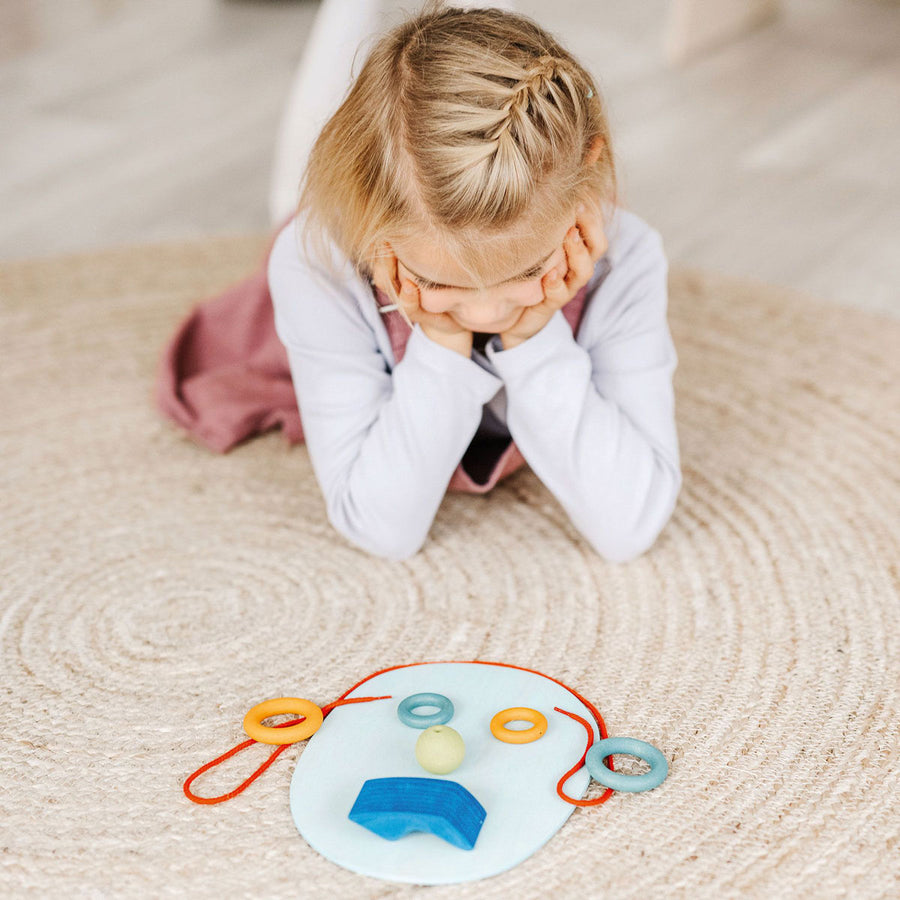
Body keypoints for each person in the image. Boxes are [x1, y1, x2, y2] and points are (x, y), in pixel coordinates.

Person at [168, 0, 682, 563]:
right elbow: (381, 529)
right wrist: (439, 341)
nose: (485, 316)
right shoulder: (316, 266)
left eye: (530, 270)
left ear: (585, 180)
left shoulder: (625, 255)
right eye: (438, 284)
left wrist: (536, 340)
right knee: (299, 195)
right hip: (332, 243)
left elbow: (630, 527)